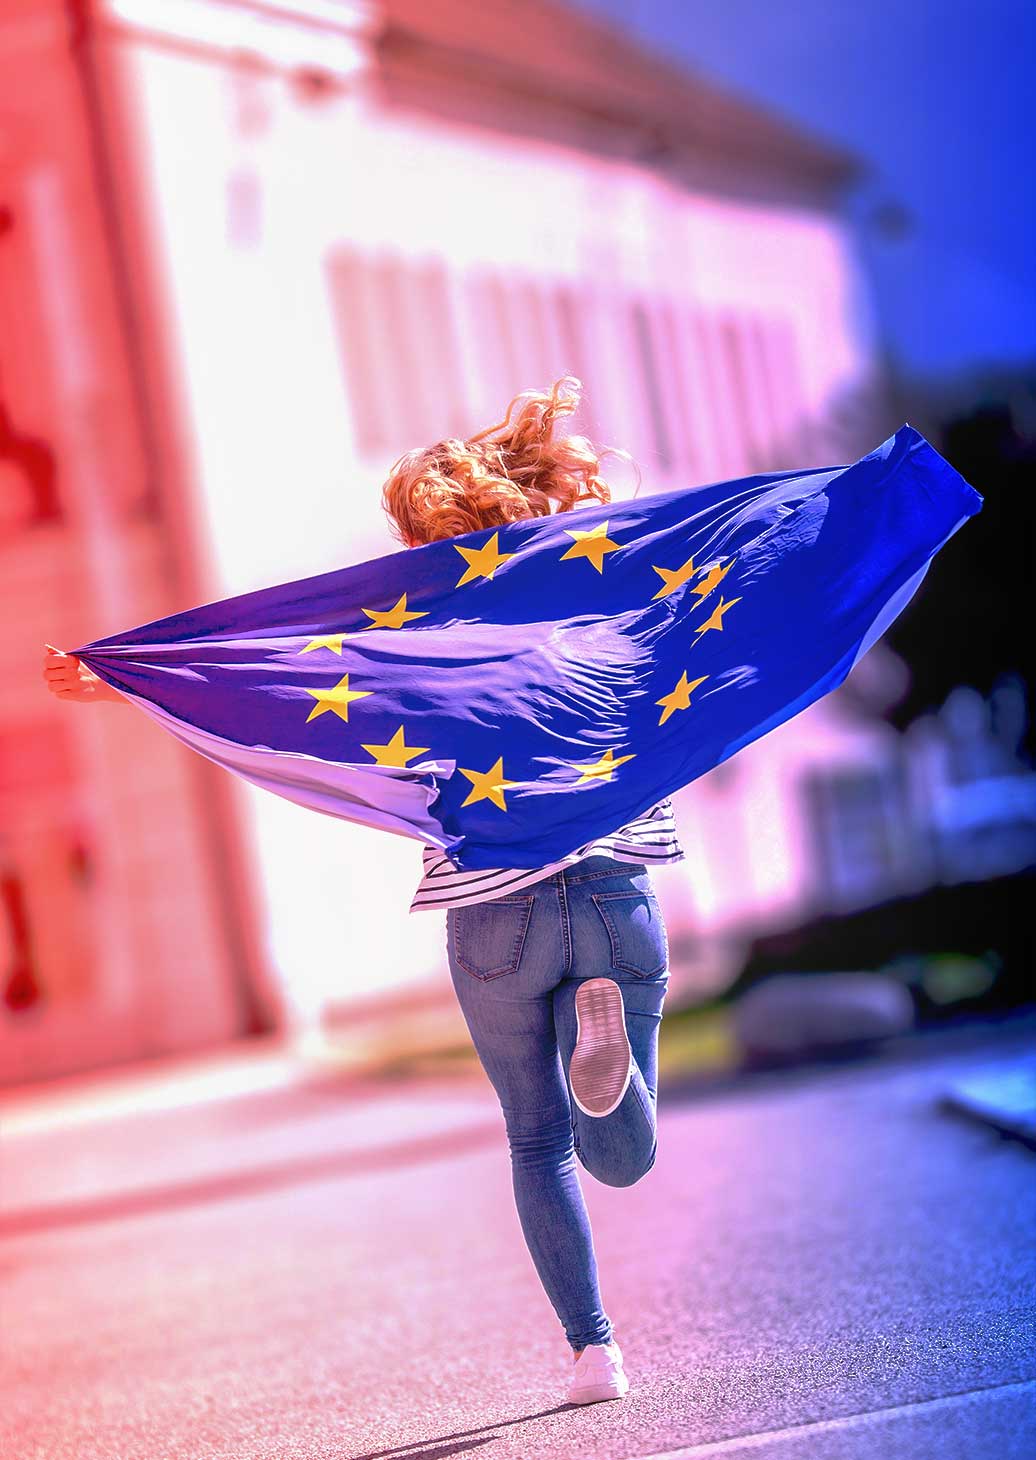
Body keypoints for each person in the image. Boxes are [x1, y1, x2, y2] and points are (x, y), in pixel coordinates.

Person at [43, 376, 683, 1406]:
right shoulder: (599, 597)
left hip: (495, 911)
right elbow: (710, 638)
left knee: (536, 1137)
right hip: (614, 888)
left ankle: (593, 1354)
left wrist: (130, 674)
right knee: (621, 1154)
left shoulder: (405, 638)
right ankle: (601, 1045)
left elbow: (270, 672)